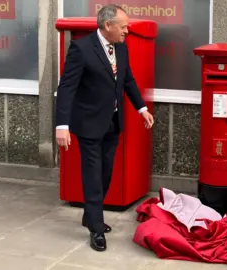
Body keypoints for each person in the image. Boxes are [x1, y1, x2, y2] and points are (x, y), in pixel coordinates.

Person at [55, 4, 154, 252]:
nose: (127, 31)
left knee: (106, 171)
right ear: (107, 26)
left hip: (112, 122)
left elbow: (127, 79)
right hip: (88, 123)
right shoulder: (81, 48)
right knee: (92, 174)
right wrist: (62, 126)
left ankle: (90, 214)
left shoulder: (121, 48)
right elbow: (67, 88)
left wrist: (142, 109)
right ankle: (96, 228)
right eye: (123, 27)